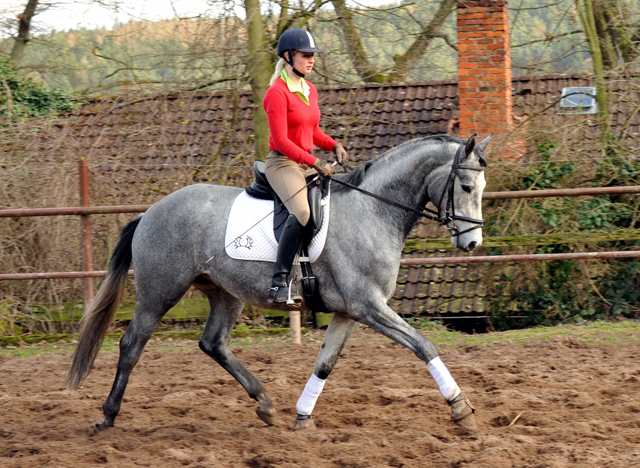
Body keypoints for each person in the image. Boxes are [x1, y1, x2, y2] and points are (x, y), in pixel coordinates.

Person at [263, 27, 349, 306]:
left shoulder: (309, 89)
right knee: (301, 210)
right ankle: (279, 283)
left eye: (313, 56)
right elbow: (282, 141)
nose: (311, 60)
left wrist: (333, 144)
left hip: (305, 162)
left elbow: (312, 132)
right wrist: (315, 162)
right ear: (289, 57)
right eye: (305, 55)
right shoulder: (277, 93)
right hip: (283, 162)